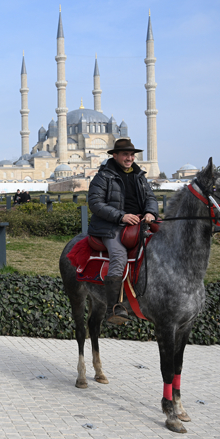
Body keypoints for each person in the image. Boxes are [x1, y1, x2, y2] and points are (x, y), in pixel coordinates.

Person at [87, 138, 158, 325]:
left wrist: (151, 212)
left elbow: (150, 198)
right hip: (112, 226)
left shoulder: (139, 176)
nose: (130, 158)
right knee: (119, 256)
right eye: (125, 154)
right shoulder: (103, 177)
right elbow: (95, 204)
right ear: (115, 155)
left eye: (132, 154)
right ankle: (113, 308)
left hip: (139, 223)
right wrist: (122, 216)